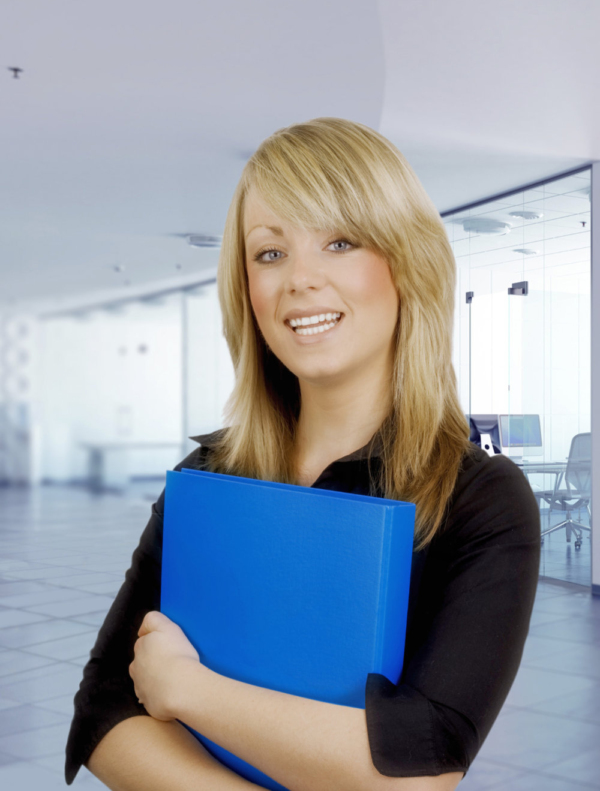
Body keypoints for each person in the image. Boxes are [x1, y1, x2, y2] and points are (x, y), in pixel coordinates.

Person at [65, 118, 541, 791]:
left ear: (407, 262)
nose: (300, 280)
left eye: (339, 241)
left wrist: (189, 690)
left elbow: (419, 767)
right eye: (269, 253)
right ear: (247, 290)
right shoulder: (206, 479)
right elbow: (101, 712)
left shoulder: (480, 498)